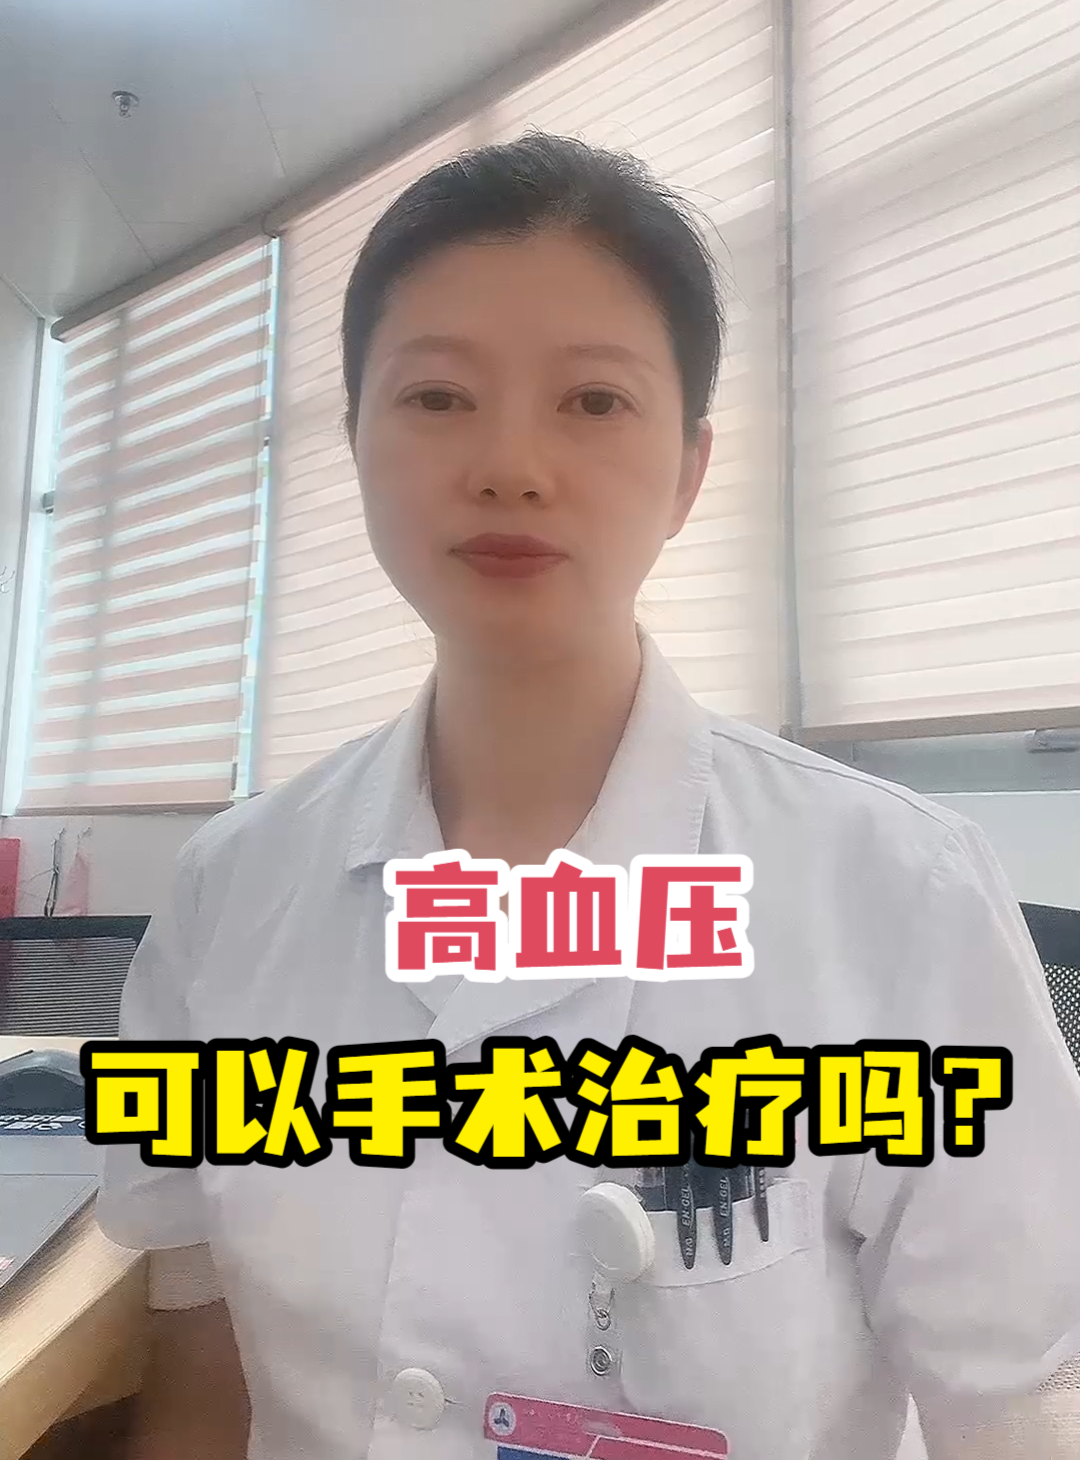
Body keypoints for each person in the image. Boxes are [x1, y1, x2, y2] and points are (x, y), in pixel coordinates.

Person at [96, 134, 1080, 1460]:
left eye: (594, 401)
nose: (510, 463)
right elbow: (202, 1368)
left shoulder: (898, 894)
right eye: (438, 396)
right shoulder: (228, 895)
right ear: (356, 443)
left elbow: (1020, 1415)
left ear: (688, 470)